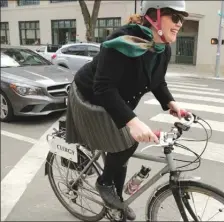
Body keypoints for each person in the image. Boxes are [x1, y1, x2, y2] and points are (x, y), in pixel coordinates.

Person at [65, 0, 189, 220]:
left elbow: (157, 82)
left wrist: (172, 103)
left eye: (182, 19)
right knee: (127, 142)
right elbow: (103, 87)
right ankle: (104, 183)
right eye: (175, 17)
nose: (180, 23)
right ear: (155, 16)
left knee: (122, 149)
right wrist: (132, 121)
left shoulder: (163, 49)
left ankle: (116, 203)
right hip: (91, 95)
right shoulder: (122, 42)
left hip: (115, 98)